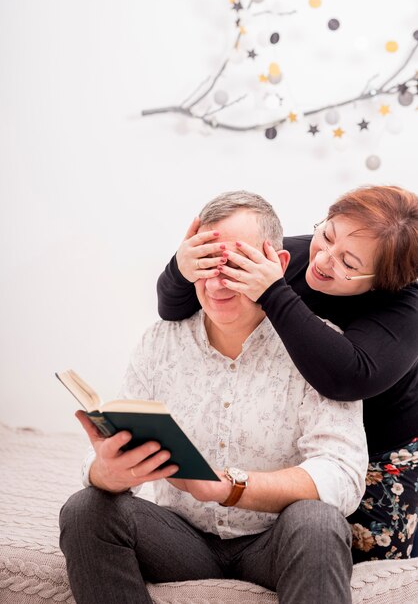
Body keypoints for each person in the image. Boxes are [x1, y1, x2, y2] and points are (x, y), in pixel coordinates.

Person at [60, 192, 368, 604]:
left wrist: (229, 487)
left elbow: (343, 476)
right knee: (85, 508)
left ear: (274, 266)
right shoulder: (161, 341)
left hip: (273, 543)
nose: (218, 281)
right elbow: (104, 457)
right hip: (180, 540)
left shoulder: (319, 346)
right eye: (207, 262)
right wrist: (107, 473)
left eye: (235, 264)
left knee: (318, 521)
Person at [156, 184, 418, 562]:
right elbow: (173, 308)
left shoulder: (406, 308)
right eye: (325, 235)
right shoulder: (289, 257)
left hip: (382, 449)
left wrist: (274, 293)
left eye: (349, 263)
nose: (324, 260)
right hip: (306, 442)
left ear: (383, 281)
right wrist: (180, 268)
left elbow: (347, 377)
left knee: (363, 559)